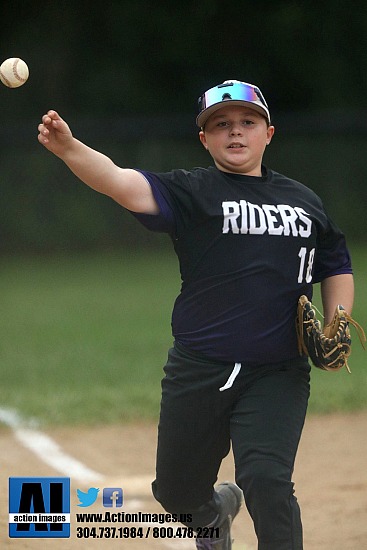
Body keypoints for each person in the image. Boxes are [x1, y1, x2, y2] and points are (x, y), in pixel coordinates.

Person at [38, 80, 354, 550]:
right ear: (204, 139)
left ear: (269, 133)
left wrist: (338, 319)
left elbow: (336, 264)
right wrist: (69, 149)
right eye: (220, 125)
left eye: (248, 122)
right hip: (198, 368)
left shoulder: (304, 203)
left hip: (277, 371)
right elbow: (121, 183)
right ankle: (215, 516)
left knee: (266, 479)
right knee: (178, 494)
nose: (235, 133)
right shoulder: (192, 191)